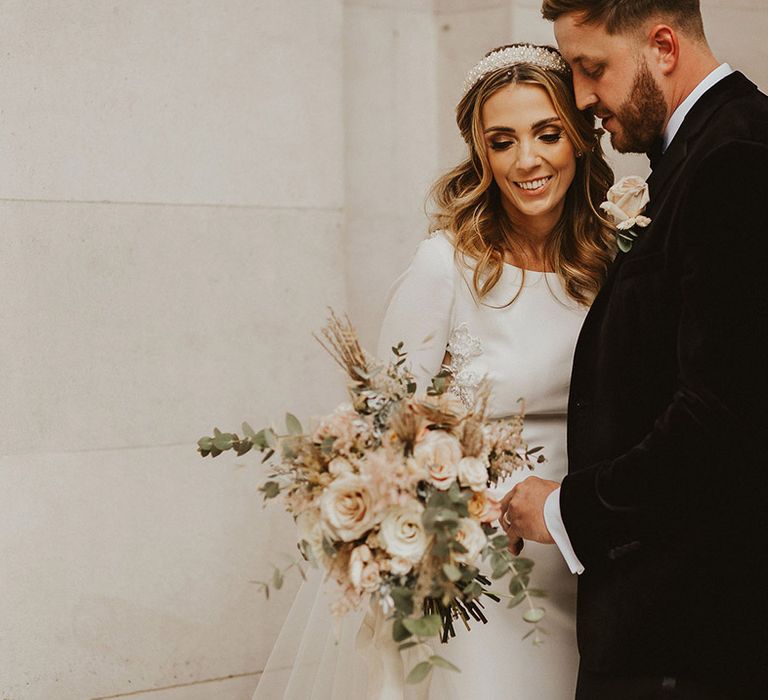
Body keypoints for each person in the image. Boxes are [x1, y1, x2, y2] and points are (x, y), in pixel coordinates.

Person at [500, 2, 768, 698]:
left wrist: (564, 511)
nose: (583, 99)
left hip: (696, 638)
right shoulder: (698, 152)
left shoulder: (735, 158)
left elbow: (725, 422)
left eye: (593, 70)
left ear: (663, 45)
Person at [376, 43, 614, 699]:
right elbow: (384, 425)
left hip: (592, 558)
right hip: (483, 570)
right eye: (502, 141)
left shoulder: (611, 261)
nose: (527, 160)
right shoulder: (444, 264)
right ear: (481, 154)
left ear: (581, 139)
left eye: (547, 133)